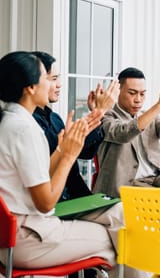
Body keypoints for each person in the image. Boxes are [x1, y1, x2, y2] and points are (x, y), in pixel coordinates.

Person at [0, 51, 143, 278]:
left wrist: (62, 149)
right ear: (30, 87)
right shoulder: (24, 129)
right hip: (28, 238)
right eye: (48, 78)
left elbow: (41, 175)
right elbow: (46, 203)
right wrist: (68, 155)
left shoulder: (11, 119)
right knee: (121, 241)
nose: (54, 84)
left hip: (11, 236)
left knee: (120, 216)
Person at [31, 51, 119, 201]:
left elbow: (85, 153)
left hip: (76, 195)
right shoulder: (30, 123)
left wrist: (97, 112)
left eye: (58, 78)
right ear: (33, 83)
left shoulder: (54, 118)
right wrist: (100, 110)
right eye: (53, 79)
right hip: (57, 202)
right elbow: (53, 162)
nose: (59, 85)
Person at [93, 66, 160, 198]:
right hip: (127, 184)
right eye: (132, 93)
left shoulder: (147, 115)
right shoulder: (106, 116)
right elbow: (124, 133)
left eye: (142, 94)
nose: (138, 99)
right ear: (118, 91)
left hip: (155, 178)